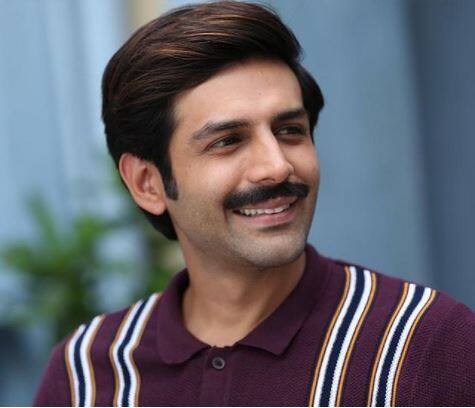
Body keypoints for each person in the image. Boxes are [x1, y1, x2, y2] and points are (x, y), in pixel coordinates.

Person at [34, 1, 474, 406]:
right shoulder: (84, 376)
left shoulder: (427, 343)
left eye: (290, 131)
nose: (277, 166)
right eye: (228, 141)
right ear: (147, 184)